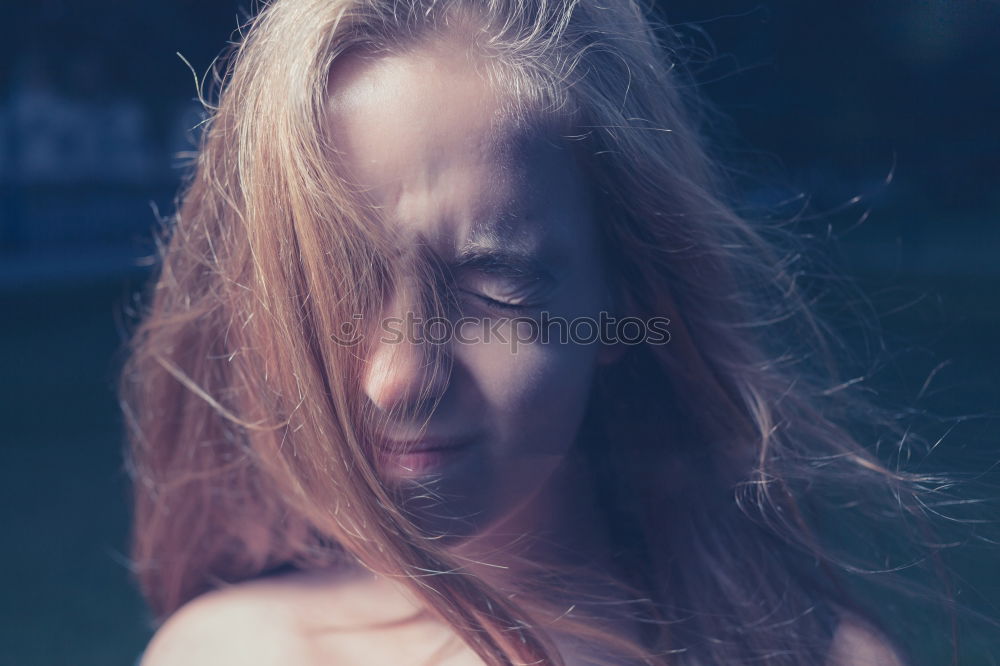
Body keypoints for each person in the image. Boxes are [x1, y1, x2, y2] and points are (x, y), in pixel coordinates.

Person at [121, 0, 970, 663]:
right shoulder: (222, 653)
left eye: (500, 284)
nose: (400, 374)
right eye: (331, 280)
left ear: (624, 295)